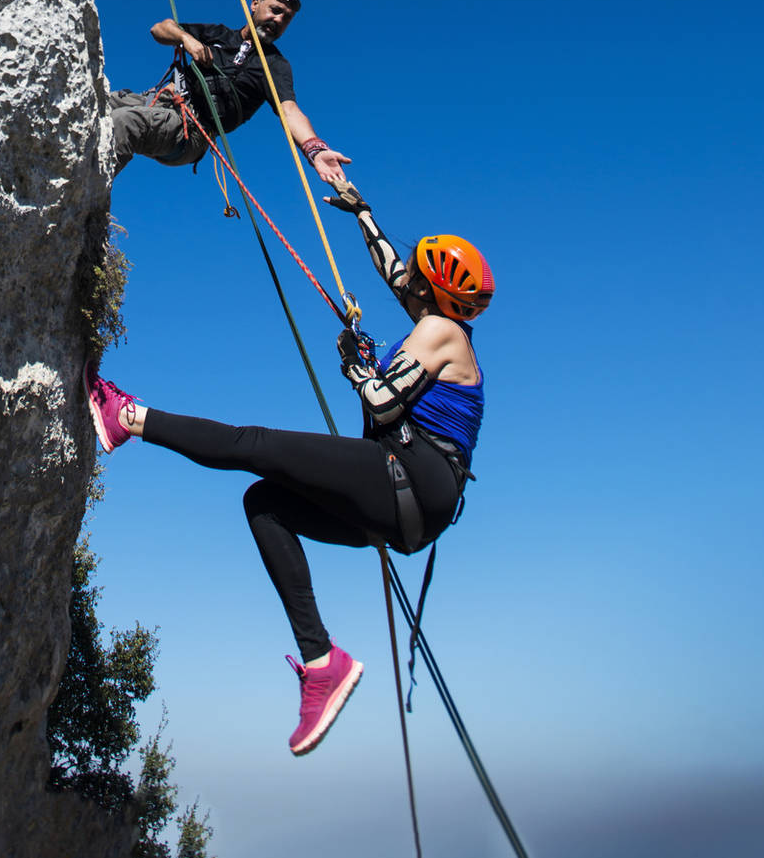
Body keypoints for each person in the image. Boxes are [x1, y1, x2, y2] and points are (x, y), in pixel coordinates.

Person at [83, 180, 493, 756]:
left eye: (419, 277)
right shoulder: (445, 325)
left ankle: (128, 416)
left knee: (256, 444)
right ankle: (321, 659)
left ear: (434, 291)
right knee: (265, 503)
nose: (408, 281)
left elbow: (381, 405)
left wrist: (357, 367)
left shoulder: (439, 332)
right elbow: (391, 271)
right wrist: (362, 214)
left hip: (413, 477)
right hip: (415, 512)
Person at [104, 0, 350, 184]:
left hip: (192, 129)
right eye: (275, 10)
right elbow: (159, 29)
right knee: (100, 102)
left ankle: (82, 204)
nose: (278, 20)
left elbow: (289, 111)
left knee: (124, 123)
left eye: (286, 18)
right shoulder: (218, 34)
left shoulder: (274, 65)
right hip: (161, 102)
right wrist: (186, 39)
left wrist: (314, 149)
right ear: (255, 4)